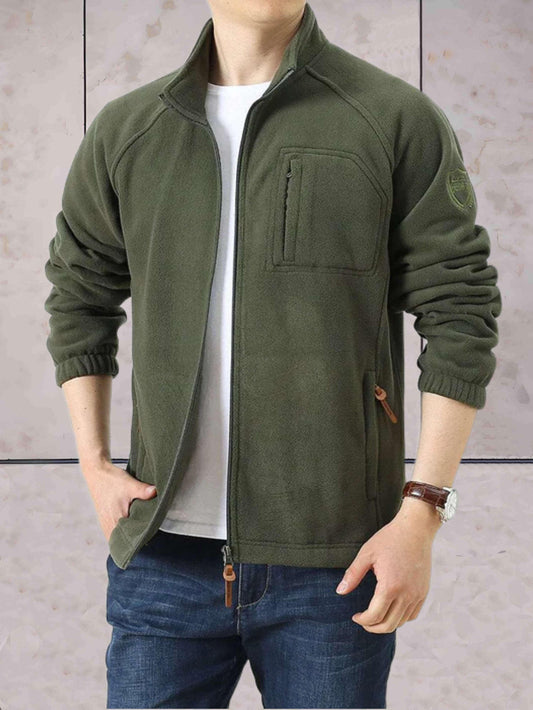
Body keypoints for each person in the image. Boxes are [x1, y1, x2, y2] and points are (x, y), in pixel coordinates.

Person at [43, 1, 502, 708]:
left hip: (337, 562)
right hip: (163, 555)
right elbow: (79, 295)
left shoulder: (390, 117)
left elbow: (460, 310)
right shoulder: (129, 129)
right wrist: (95, 466)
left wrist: (422, 510)